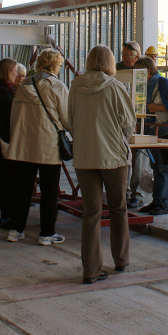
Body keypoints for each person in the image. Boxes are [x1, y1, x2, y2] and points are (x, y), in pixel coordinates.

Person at [69, 45, 136, 284]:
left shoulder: (75, 86)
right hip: (114, 157)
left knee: (91, 213)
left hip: (85, 156)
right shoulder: (117, 87)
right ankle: (121, 260)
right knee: (118, 208)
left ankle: (90, 270)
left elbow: (71, 120)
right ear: (110, 62)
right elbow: (129, 124)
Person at [5, 49, 71, 245]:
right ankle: (47, 233)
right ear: (55, 66)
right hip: (48, 146)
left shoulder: (23, 85)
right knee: (49, 191)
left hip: (24, 145)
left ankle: (15, 230)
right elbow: (67, 118)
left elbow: (14, 116)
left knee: (22, 190)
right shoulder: (57, 86)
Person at [137, 57, 168, 216]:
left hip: (167, 130)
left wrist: (152, 107)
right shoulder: (147, 86)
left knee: (166, 168)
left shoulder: (163, 83)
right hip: (154, 129)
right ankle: (157, 201)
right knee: (157, 167)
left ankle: (164, 203)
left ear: (148, 71)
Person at [116, 40, 146, 209]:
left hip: (139, 118)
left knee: (138, 159)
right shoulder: (118, 68)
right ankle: (124, 191)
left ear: (137, 56)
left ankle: (137, 193)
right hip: (121, 119)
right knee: (123, 157)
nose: (125, 59)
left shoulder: (142, 69)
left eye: (128, 55)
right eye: (124, 55)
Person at [0, 58, 17, 229]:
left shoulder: (4, 89)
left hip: (4, 138)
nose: (17, 74)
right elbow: (10, 114)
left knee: (8, 179)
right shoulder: (1, 90)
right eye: (14, 70)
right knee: (7, 179)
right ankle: (6, 216)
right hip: (3, 140)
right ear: (7, 71)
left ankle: (7, 214)